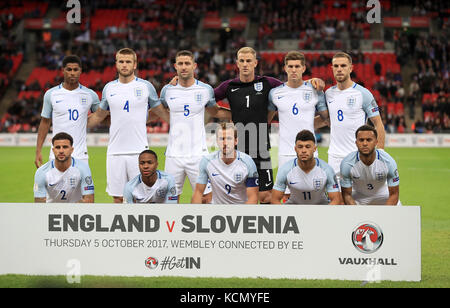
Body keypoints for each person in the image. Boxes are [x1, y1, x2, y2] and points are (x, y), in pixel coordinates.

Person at [214, 47, 325, 204]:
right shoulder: (229, 86)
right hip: (235, 148)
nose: (245, 64)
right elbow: (206, 100)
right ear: (237, 63)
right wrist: (233, 114)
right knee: (236, 195)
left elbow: (292, 87)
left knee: (266, 196)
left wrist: (312, 81)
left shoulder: (267, 83)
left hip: (261, 148)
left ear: (255, 63)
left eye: (248, 61)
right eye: (242, 61)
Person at [88, 48, 170, 203]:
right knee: (118, 198)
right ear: (116, 64)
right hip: (115, 152)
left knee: (141, 197)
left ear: (134, 65)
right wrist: (77, 124)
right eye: (121, 61)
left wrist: (182, 122)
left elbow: (161, 112)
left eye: (128, 62)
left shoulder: (146, 87)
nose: (124, 65)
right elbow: (99, 115)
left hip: (139, 152)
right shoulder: (109, 88)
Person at [160, 50, 230, 202]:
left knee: (206, 198)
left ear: (194, 66)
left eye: (187, 63)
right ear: (175, 66)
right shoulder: (167, 90)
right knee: (171, 199)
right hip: (174, 155)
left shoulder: (205, 90)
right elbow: (159, 111)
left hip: (198, 154)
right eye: (180, 64)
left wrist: (238, 115)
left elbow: (215, 111)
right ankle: (172, 226)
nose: (184, 67)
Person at [268, 51, 329, 198]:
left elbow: (327, 119)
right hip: (285, 152)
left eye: (297, 66)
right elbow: (266, 120)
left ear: (303, 68)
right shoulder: (275, 93)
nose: (293, 69)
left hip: (310, 151)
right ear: (285, 68)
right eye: (290, 66)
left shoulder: (315, 91)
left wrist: (309, 124)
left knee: (316, 193)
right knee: (287, 196)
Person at [323, 51, 386, 179]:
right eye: (336, 66)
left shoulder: (363, 93)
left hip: (357, 155)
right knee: (336, 198)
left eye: (343, 66)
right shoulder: (328, 93)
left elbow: (378, 123)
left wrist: (380, 153)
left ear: (350, 68)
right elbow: (327, 119)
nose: (339, 69)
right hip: (334, 157)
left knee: (360, 197)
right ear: (332, 69)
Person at [35, 55, 100, 168]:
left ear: (80, 71)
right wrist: (38, 151)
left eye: (75, 69)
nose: (72, 73)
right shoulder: (51, 94)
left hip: (81, 156)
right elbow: (45, 122)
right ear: (63, 70)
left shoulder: (90, 95)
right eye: (69, 69)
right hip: (56, 155)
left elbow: (101, 116)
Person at [191, 122, 259, 204]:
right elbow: (198, 193)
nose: (225, 143)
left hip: (240, 211)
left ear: (236, 141)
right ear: (217, 141)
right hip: (217, 212)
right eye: (222, 139)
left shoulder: (248, 162)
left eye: (229, 138)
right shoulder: (207, 161)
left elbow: (253, 198)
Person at [271, 130, 342, 205]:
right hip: (294, 210)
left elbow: (336, 199)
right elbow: (274, 200)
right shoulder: (285, 170)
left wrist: (323, 214)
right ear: (295, 149)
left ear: (315, 148)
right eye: (300, 147)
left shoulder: (327, 170)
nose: (304, 151)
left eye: (308, 147)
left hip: (320, 209)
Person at [340, 125, 400, 205]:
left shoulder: (388, 162)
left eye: (369, 140)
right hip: (359, 199)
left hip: (384, 197)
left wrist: (385, 215)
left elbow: (394, 194)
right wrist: (356, 212)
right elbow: (346, 195)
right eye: (361, 140)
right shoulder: (347, 164)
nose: (365, 143)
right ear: (356, 143)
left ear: (376, 142)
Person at [34, 132, 94, 203]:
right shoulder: (42, 172)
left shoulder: (83, 168)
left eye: (65, 147)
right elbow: (38, 203)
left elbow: (89, 200)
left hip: (76, 211)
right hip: (51, 211)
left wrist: (69, 210)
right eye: (58, 147)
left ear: (72, 150)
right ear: (53, 150)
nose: (61, 151)